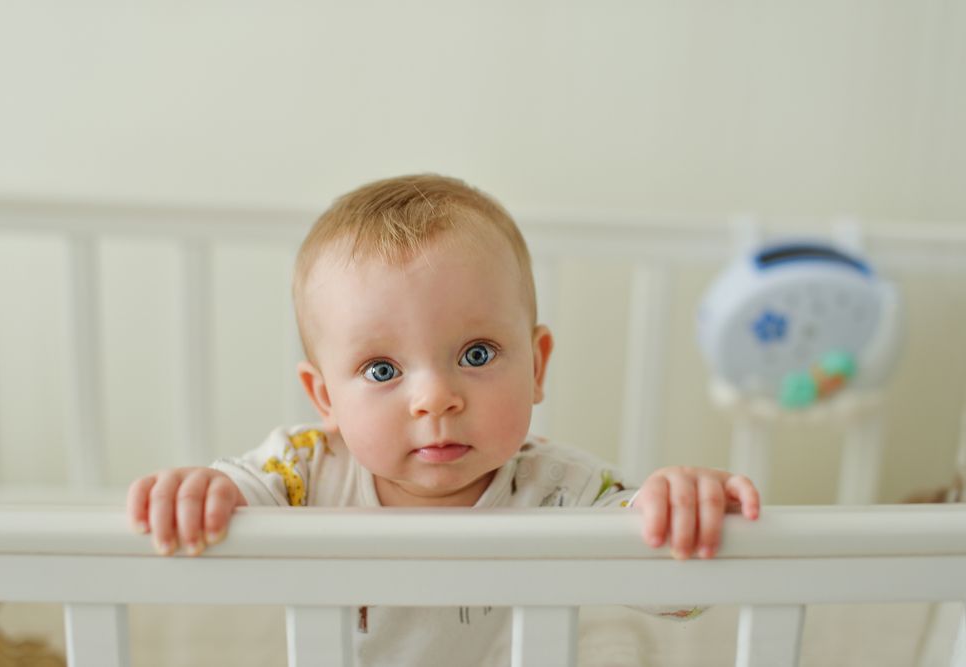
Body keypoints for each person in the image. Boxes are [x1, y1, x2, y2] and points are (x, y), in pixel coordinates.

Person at [126, 174, 760, 666]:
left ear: (537, 366)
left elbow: (682, 598)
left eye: (476, 354)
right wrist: (207, 491)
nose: (435, 399)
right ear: (325, 399)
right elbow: (240, 494)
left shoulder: (558, 491)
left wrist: (676, 510)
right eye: (381, 370)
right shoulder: (305, 467)